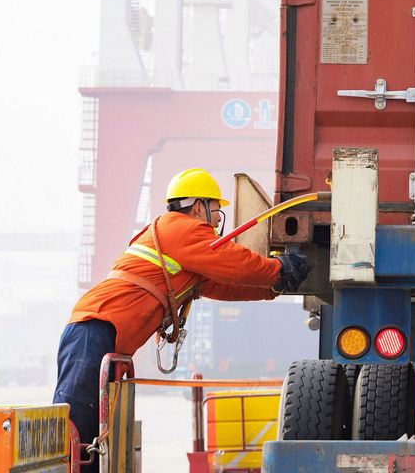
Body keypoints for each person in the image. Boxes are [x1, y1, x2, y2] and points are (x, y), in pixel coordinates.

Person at [53, 168, 311, 471]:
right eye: (216, 211)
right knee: (77, 430)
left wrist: (273, 288)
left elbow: (224, 285)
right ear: (198, 206)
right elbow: (231, 261)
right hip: (93, 329)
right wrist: (277, 269)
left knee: (94, 434)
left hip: (98, 332)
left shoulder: (185, 249)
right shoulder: (184, 229)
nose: (217, 220)